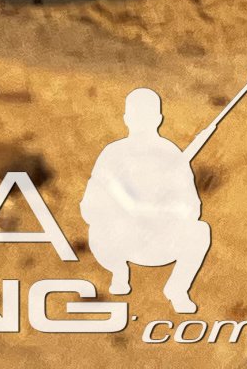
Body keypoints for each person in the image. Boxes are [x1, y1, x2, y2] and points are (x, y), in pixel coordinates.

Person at [81, 87, 223, 314]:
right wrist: (125, 210)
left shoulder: (171, 154)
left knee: (200, 231)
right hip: (121, 239)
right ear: (127, 119)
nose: (141, 122)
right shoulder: (113, 153)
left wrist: (161, 212)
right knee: (99, 229)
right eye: (137, 116)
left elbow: (192, 207)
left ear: (158, 119)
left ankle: (177, 289)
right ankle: (118, 271)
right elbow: (89, 206)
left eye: (146, 116)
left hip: (160, 240)